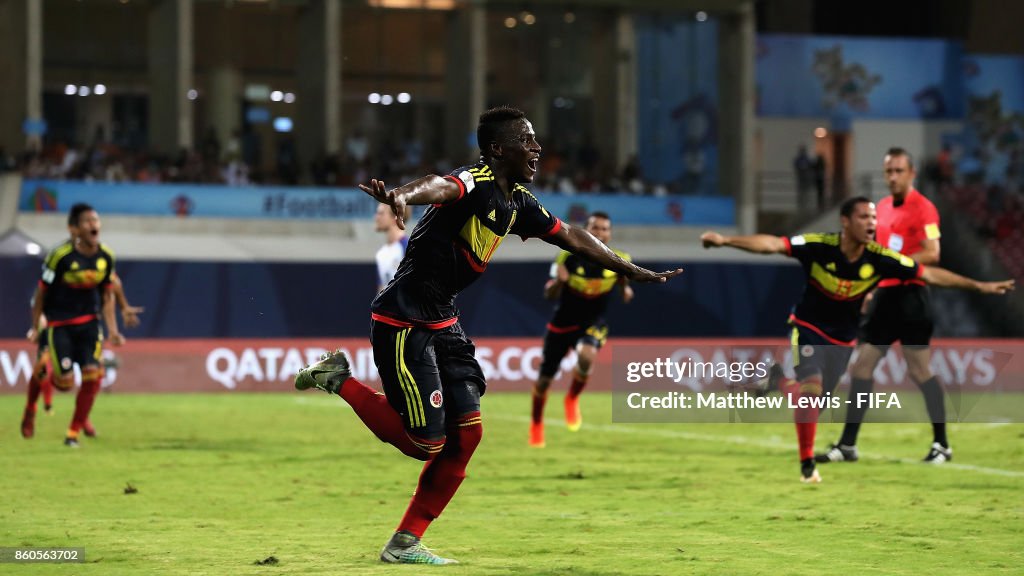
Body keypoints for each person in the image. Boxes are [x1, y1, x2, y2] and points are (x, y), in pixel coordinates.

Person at [294, 106, 682, 564]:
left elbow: (573, 236)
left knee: (468, 436)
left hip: (444, 321)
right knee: (425, 443)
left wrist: (629, 269)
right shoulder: (474, 181)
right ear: (498, 149)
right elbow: (439, 185)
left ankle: (405, 543)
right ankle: (338, 377)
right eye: (528, 141)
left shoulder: (518, 201)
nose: (537, 149)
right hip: (404, 322)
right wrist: (402, 194)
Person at [700, 196, 1013, 483]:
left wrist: (978, 286)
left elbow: (928, 274)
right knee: (811, 392)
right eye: (864, 217)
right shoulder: (819, 246)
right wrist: (726, 240)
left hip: (844, 340)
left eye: (874, 217)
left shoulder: (881, 258)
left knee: (814, 403)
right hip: (808, 327)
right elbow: (772, 244)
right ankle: (807, 467)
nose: (872, 223)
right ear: (845, 222)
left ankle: (778, 381)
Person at [816, 147, 955, 465]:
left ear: (912, 173)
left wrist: (895, 266)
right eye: (888, 171)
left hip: (911, 298)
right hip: (885, 298)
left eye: (898, 171)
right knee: (862, 368)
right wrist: (870, 287)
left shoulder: (924, 209)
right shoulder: (879, 209)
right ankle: (847, 446)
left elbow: (932, 253)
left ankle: (942, 445)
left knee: (920, 371)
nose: (892, 177)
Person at [22, 203, 126, 447]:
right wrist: (36, 325)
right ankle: (30, 407)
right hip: (59, 324)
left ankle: (73, 432)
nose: (94, 225)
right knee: (63, 382)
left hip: (90, 323)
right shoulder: (60, 256)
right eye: (88, 221)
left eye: (96, 220)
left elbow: (108, 294)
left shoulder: (106, 256)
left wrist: (113, 330)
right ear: (74, 229)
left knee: (92, 374)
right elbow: (41, 293)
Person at [529, 211, 633, 447]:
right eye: (595, 228)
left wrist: (625, 290)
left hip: (593, 322)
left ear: (610, 233)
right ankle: (536, 424)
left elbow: (623, 283)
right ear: (586, 231)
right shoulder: (566, 257)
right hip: (562, 322)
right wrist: (559, 282)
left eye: (605, 229)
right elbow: (548, 294)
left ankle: (572, 398)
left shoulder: (620, 258)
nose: (600, 232)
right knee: (545, 380)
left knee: (587, 357)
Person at [374, 203, 410, 293]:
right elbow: (382, 289)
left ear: (395, 217)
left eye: (381, 213)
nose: (376, 217)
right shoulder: (381, 253)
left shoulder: (408, 248)